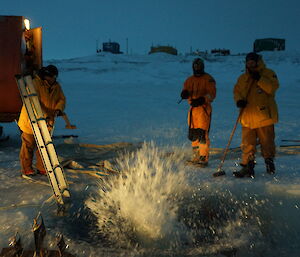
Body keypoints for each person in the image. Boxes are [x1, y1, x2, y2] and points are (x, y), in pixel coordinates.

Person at [233, 52, 279, 178]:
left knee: (267, 141)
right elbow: (236, 91)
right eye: (248, 63)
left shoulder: (268, 74)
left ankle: (269, 162)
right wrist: (239, 100)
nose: (250, 65)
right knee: (247, 143)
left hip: (264, 115)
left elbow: (272, 88)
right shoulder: (243, 78)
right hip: (247, 116)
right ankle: (248, 166)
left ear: (258, 62)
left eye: (253, 62)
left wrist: (259, 78)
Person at [18, 65, 66, 176]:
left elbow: (61, 99)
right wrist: (44, 114)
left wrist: (58, 109)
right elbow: (33, 101)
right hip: (31, 120)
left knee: (44, 145)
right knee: (28, 145)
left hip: (47, 121)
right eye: (51, 77)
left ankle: (42, 167)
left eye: (55, 77)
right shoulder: (34, 84)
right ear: (45, 76)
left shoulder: (56, 87)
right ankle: (26, 168)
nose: (53, 79)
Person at [180, 58, 216, 167]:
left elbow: (212, 94)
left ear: (202, 67)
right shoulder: (189, 80)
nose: (197, 68)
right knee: (193, 133)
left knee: (202, 134)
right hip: (193, 110)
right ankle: (196, 155)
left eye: (199, 66)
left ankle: (203, 157)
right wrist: (184, 94)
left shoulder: (208, 79)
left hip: (203, 109)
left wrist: (202, 99)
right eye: (195, 66)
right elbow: (185, 89)